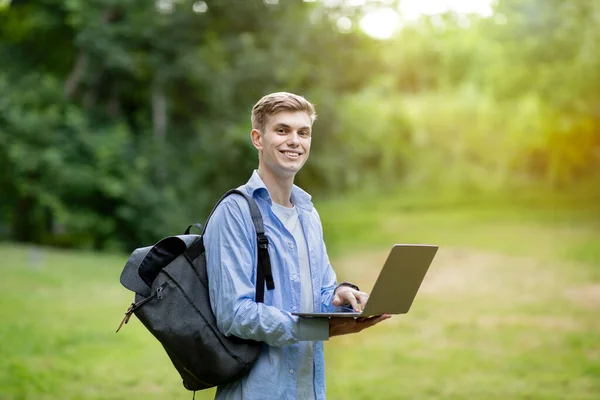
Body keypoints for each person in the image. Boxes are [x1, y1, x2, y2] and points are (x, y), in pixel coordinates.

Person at [204, 92, 390, 400]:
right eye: (282, 130)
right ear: (257, 138)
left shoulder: (307, 213)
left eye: (303, 132)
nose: (295, 141)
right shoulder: (235, 212)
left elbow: (319, 293)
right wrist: (318, 329)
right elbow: (235, 313)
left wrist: (341, 297)